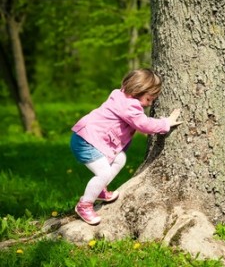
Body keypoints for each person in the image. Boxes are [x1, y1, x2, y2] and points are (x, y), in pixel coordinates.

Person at [70, 68, 182, 225]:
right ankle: (85, 205)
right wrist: (165, 123)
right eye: (149, 99)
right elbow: (143, 124)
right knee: (103, 172)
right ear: (138, 90)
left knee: (120, 159)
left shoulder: (120, 95)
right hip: (86, 141)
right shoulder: (130, 106)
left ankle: (100, 190)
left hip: (91, 139)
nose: (149, 104)